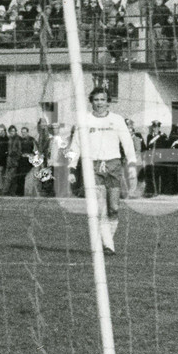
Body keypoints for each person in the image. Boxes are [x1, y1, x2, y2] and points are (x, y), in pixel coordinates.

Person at [66, 87, 137, 255]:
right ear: (91, 102)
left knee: (114, 208)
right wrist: (71, 167)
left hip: (113, 165)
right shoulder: (84, 120)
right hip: (92, 166)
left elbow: (127, 142)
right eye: (96, 100)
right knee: (100, 208)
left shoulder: (117, 120)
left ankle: (106, 241)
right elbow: (75, 144)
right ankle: (109, 246)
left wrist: (132, 163)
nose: (99, 103)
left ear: (108, 102)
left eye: (102, 100)